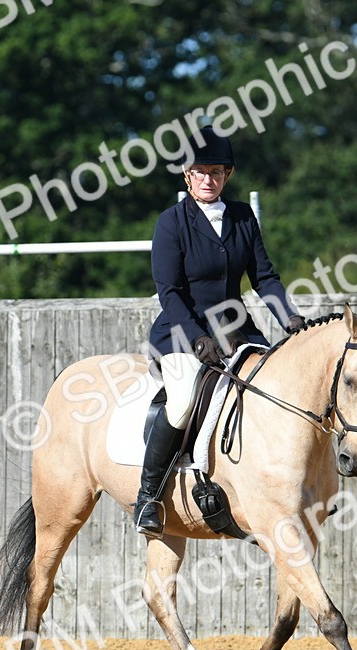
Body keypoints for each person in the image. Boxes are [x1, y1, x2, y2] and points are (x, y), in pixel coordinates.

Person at [134, 126, 304, 536]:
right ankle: (149, 497)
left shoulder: (243, 217)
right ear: (186, 176)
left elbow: (264, 277)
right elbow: (169, 292)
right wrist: (196, 338)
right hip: (180, 332)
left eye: (215, 172)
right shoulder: (172, 223)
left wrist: (290, 319)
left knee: (280, 387)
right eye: (199, 172)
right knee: (181, 401)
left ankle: (290, 485)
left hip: (236, 329)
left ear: (226, 176)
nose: (207, 179)